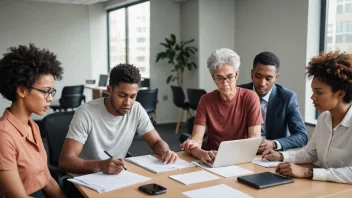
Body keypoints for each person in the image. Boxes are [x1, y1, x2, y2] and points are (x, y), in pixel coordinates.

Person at [59, 63, 178, 175]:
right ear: (109, 90)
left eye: (132, 96)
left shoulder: (136, 109)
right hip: (85, 178)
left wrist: (165, 151)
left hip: (116, 175)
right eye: (122, 95)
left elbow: (156, 141)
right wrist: (101, 165)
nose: (127, 103)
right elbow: (66, 161)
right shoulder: (86, 113)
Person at [262, 51, 352, 184]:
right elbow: (311, 153)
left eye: (319, 92)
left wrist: (307, 172)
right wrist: (281, 155)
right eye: (313, 91)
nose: (313, 97)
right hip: (325, 187)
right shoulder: (324, 118)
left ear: (340, 93)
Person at [0, 44, 65, 197]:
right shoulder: (4, 136)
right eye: (46, 92)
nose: (51, 98)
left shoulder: (33, 126)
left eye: (52, 92)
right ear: (22, 90)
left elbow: (47, 179)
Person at [181, 48, 263, 166]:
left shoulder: (250, 97)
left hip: (240, 159)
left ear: (237, 74)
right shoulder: (206, 100)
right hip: (211, 158)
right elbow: (196, 140)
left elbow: (253, 141)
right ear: (213, 77)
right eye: (219, 78)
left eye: (229, 77)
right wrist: (200, 152)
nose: (225, 83)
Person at [238, 52, 307, 153]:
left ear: (276, 77)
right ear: (252, 74)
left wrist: (274, 144)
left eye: (268, 78)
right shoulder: (238, 93)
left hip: (271, 156)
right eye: (258, 76)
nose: (262, 83)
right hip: (241, 152)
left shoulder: (287, 97)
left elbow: (302, 136)